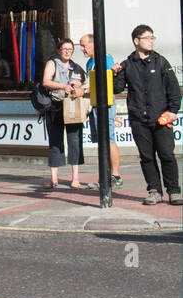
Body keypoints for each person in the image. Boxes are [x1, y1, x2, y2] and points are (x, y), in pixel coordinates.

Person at [117, 24, 181, 206]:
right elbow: (117, 88)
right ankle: (154, 191)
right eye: (147, 38)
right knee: (147, 157)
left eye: (153, 37)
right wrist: (115, 74)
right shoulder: (127, 64)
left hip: (161, 118)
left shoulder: (161, 61)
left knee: (167, 155)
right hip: (139, 119)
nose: (151, 41)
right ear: (136, 41)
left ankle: (174, 191)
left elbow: (174, 90)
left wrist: (172, 111)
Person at [41, 38, 89, 189]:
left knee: (74, 141)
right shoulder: (52, 63)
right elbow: (46, 81)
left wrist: (78, 85)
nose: (67, 51)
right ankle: (54, 178)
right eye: (64, 49)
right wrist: (63, 86)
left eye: (70, 49)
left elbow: (85, 82)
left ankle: (75, 177)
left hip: (72, 106)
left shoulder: (77, 67)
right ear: (58, 50)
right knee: (55, 142)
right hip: (55, 106)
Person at [80, 33, 123, 189]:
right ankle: (104, 176)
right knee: (101, 141)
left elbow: (104, 81)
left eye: (84, 45)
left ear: (93, 44)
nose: (82, 49)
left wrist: (84, 91)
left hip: (106, 104)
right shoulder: (90, 62)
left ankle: (115, 175)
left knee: (108, 139)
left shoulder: (104, 59)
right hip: (95, 104)